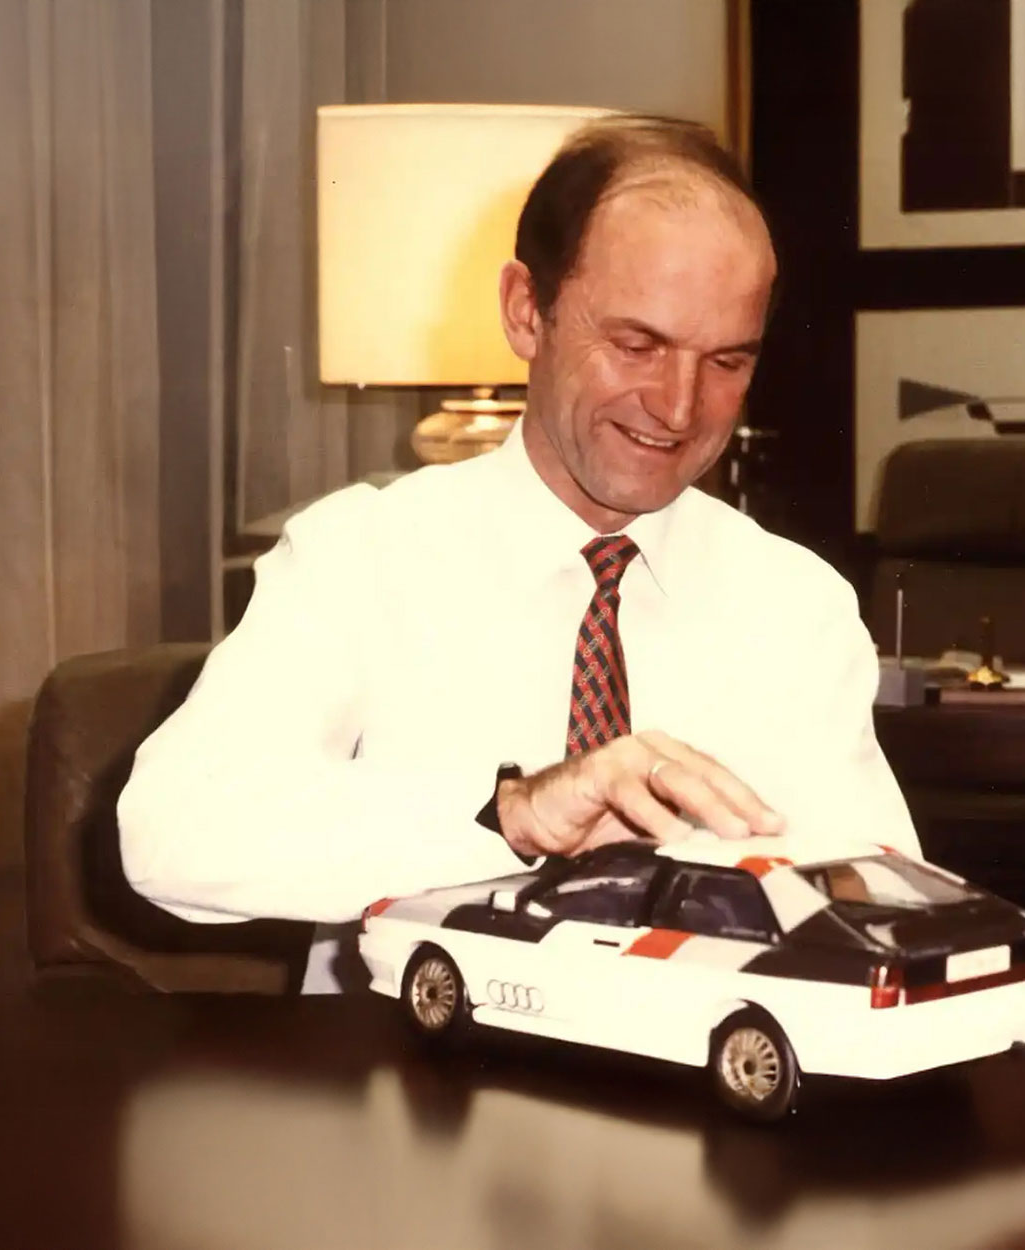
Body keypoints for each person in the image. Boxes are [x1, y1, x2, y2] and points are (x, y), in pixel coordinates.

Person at [117, 116, 919, 992]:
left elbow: (878, 909)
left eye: (726, 361)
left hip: (693, 1059)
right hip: (403, 1062)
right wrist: (511, 814)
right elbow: (167, 831)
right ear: (525, 312)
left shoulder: (797, 605)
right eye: (636, 345)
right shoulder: (360, 557)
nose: (679, 408)